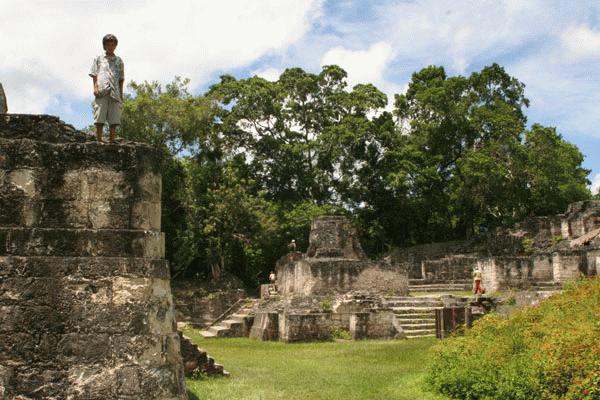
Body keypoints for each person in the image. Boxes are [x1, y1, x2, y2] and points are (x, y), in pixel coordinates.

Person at [89, 34, 124, 143]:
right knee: (100, 116)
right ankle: (99, 139)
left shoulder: (119, 61)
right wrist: (95, 87)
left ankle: (112, 140)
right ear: (104, 46)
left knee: (114, 118)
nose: (110, 46)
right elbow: (94, 74)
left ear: (115, 46)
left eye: (112, 44)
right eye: (108, 44)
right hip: (102, 90)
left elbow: (121, 78)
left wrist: (121, 94)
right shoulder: (99, 59)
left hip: (115, 91)